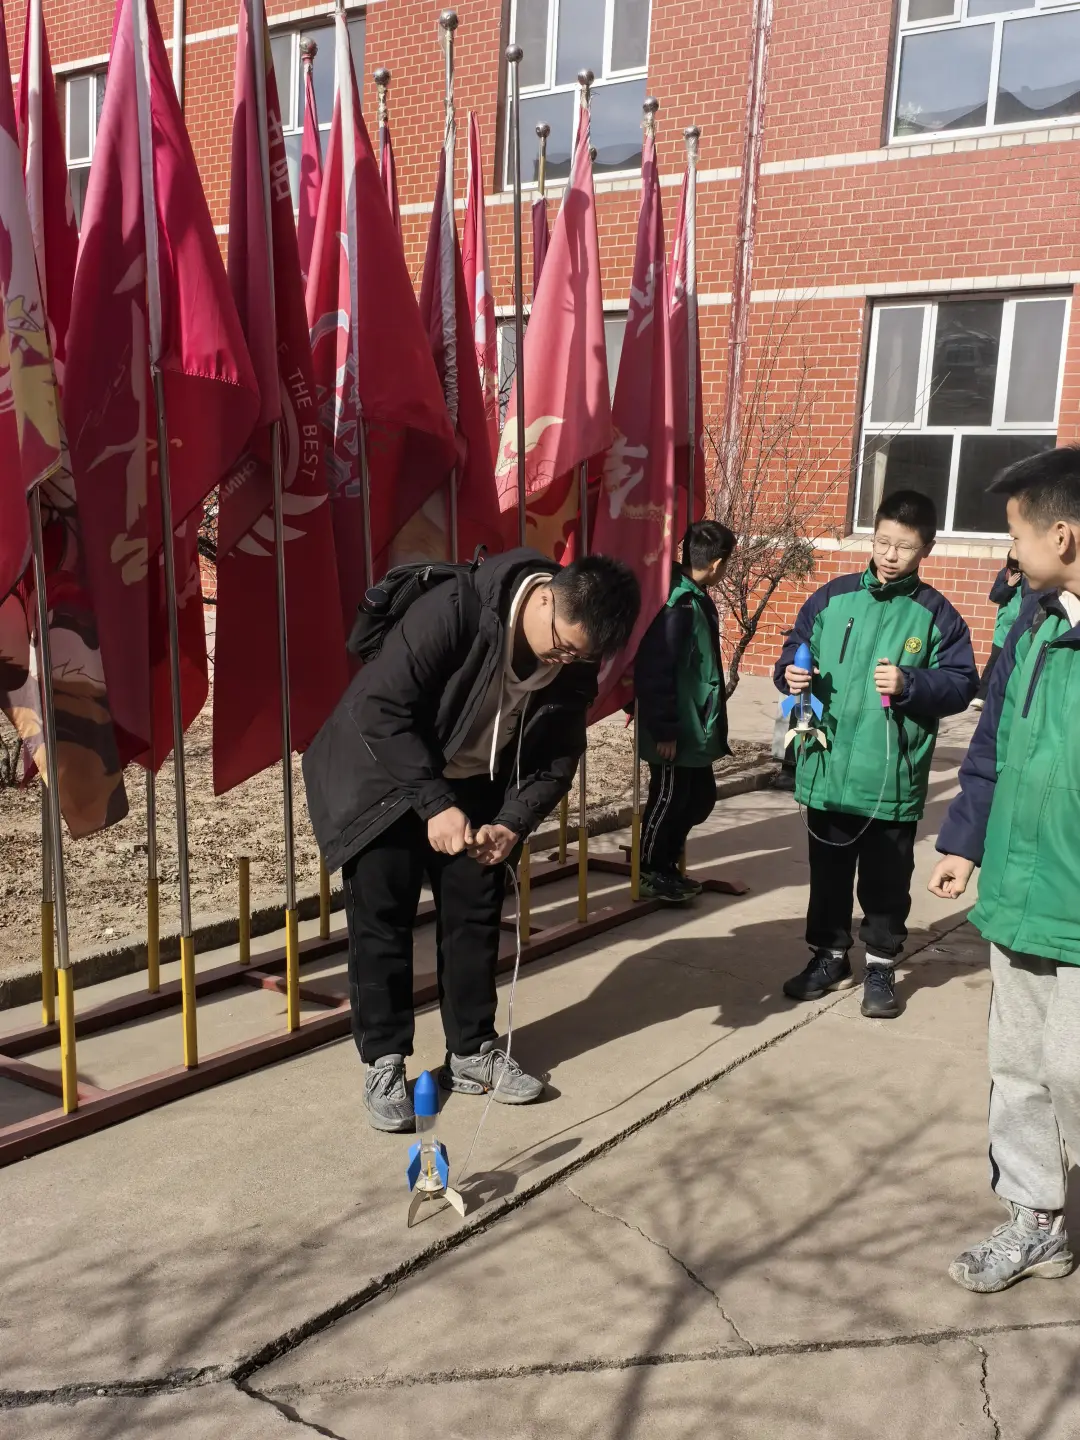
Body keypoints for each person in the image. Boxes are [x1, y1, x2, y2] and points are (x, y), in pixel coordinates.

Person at [303, 548, 640, 1132]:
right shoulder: (456, 609)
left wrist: (512, 822)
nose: (563, 660)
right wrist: (434, 804)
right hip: (385, 775)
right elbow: (378, 709)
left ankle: (471, 1052)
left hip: (477, 782)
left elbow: (559, 755)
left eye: (578, 655)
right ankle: (384, 1060)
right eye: (561, 645)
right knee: (383, 918)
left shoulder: (574, 661)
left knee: (475, 914)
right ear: (545, 598)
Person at [930, 447, 1080, 1293]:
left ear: (1062, 536)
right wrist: (964, 843)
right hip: (1021, 895)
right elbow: (989, 748)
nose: (1009, 554)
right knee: (1019, 1070)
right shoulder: (1030, 623)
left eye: (1016, 536)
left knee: (1075, 1070)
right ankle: (1035, 1221)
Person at [775, 489, 977, 1020]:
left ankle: (882, 964)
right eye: (883, 542)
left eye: (904, 547)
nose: (890, 555)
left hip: (891, 778)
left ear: (926, 548)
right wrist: (788, 673)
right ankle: (828, 957)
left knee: (887, 881)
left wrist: (911, 683)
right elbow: (796, 647)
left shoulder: (937, 615)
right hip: (827, 769)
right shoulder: (832, 597)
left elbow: (961, 684)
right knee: (828, 875)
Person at [633, 520, 737, 903]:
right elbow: (655, 671)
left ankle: (666, 861)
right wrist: (664, 729)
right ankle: (650, 870)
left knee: (698, 798)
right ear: (717, 563)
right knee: (669, 799)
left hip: (696, 725)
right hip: (674, 727)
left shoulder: (696, 596)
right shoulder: (677, 604)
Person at [971, 555, 1025, 709]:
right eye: (1013, 568)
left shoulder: (1032, 577)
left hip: (1023, 629)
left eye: (1018, 568)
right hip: (1003, 630)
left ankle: (1007, 699)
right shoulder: (1005, 573)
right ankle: (982, 696)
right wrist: (1008, 585)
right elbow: (994, 596)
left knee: (1016, 664)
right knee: (994, 662)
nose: (1015, 571)